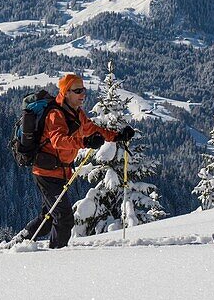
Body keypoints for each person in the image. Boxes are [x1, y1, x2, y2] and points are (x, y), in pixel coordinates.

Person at [16, 73, 135, 249]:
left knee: (48, 217)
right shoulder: (56, 114)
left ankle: (20, 240)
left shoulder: (76, 113)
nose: (83, 94)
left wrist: (117, 136)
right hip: (47, 172)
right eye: (77, 90)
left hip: (60, 171)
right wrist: (85, 142)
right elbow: (58, 141)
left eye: (83, 90)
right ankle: (56, 257)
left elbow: (92, 128)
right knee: (64, 219)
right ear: (66, 92)